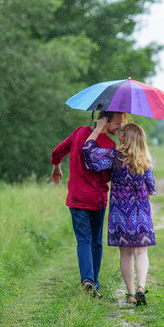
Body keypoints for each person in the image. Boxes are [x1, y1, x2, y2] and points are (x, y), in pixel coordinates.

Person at [82, 120, 156, 306]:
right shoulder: (145, 161)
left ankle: (130, 294)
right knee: (141, 253)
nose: (119, 131)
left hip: (121, 215)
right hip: (141, 213)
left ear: (126, 137)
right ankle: (141, 287)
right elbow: (151, 188)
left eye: (122, 131)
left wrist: (98, 129)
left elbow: (88, 151)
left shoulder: (114, 157)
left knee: (126, 255)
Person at [50, 111, 123, 296]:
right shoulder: (110, 145)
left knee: (83, 240)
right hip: (97, 199)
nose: (119, 126)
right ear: (105, 121)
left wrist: (57, 167)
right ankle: (94, 283)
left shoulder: (80, 132)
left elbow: (57, 152)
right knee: (96, 242)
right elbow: (107, 176)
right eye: (117, 123)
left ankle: (88, 280)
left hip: (77, 198)